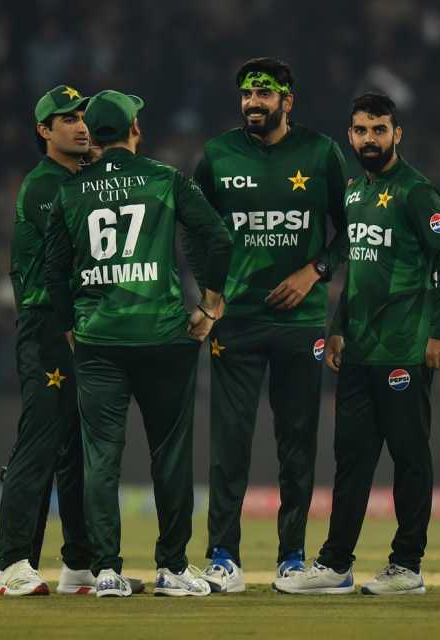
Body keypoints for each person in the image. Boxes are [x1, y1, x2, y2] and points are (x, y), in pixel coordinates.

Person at [273, 92, 440, 595]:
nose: (369, 139)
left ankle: (407, 566)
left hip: (404, 349)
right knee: (351, 460)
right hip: (359, 351)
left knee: (409, 456)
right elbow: (358, 270)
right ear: (350, 136)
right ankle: (336, 564)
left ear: (397, 134)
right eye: (361, 130)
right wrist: (338, 327)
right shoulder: (355, 193)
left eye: (379, 129)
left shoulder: (416, 192)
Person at [44, 89, 233, 598]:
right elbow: (218, 238)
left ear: (92, 135)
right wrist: (210, 306)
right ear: (134, 130)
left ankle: (106, 571)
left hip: (98, 341)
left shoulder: (70, 191)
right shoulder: (166, 179)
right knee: (169, 456)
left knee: (101, 458)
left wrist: (71, 327)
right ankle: (172, 568)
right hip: (162, 337)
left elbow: (53, 272)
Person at [183, 57, 348, 592]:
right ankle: (223, 558)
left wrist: (315, 270)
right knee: (229, 443)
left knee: (297, 443)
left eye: (264, 94)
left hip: (302, 322)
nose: (253, 102)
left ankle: (292, 557)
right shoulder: (218, 154)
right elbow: (194, 228)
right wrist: (211, 293)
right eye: (247, 95)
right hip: (238, 322)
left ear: (287, 101)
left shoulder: (321, 153)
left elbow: (353, 228)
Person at [0, 84, 101, 597]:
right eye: (68, 119)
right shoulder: (45, 185)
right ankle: (13, 564)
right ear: (44, 130)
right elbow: (77, 252)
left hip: (81, 327)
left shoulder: (78, 180)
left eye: (83, 117)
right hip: (47, 327)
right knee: (39, 441)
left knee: (76, 449)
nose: (81, 126)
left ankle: (79, 565)